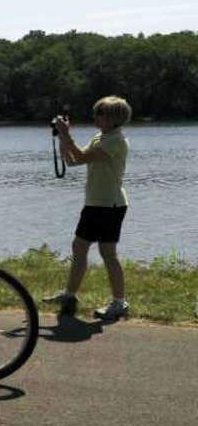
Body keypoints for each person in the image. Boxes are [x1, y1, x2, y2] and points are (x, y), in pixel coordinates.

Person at [43, 96, 133, 320]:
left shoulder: (115, 140)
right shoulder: (100, 137)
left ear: (114, 118)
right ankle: (70, 295)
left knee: (107, 253)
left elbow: (81, 157)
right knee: (79, 247)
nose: (95, 116)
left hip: (109, 205)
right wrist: (63, 137)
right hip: (95, 203)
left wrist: (66, 134)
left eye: (100, 113)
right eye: (96, 112)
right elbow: (73, 161)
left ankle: (119, 302)